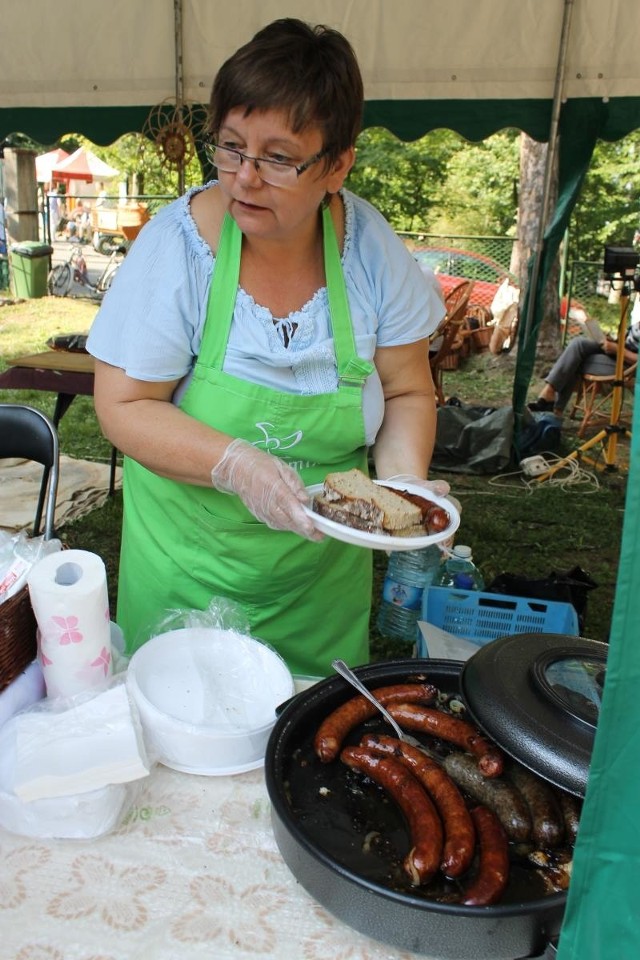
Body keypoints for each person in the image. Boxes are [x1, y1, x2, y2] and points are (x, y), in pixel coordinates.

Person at [86, 18, 446, 678]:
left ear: (337, 164)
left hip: (318, 590)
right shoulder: (178, 251)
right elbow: (123, 404)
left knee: (307, 748)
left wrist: (402, 484)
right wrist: (236, 465)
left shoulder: (369, 253)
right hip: (188, 577)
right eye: (230, 148)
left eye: (278, 158)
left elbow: (406, 390)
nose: (245, 177)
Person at [528, 304, 640, 417]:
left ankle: (553, 404)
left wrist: (618, 350)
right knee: (578, 344)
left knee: (575, 359)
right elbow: (630, 342)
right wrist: (613, 342)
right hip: (619, 353)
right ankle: (551, 397)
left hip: (629, 366)